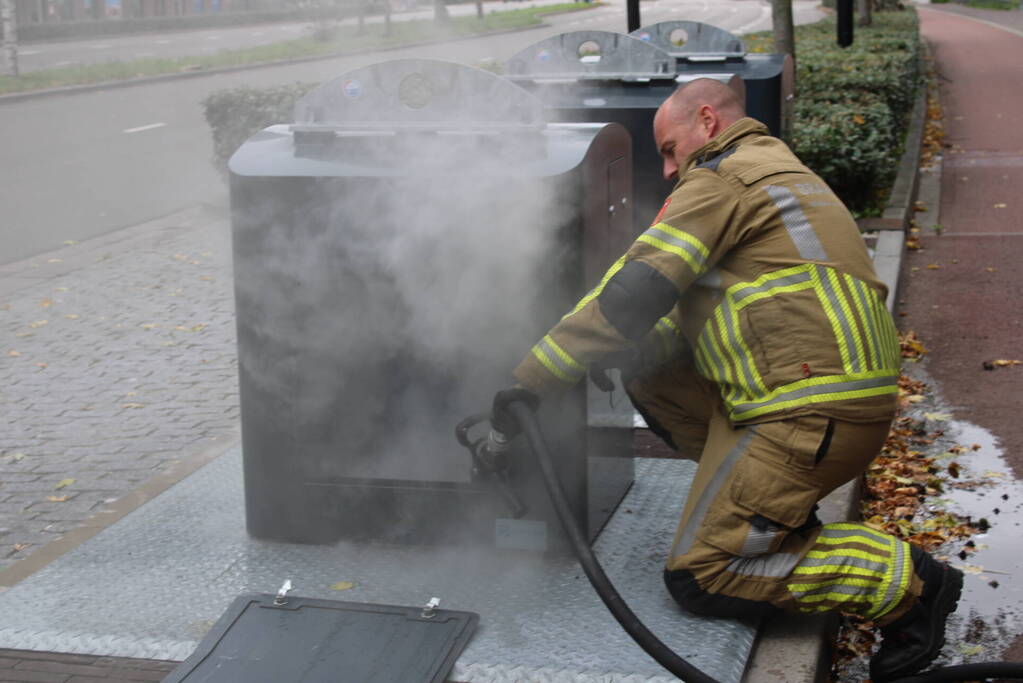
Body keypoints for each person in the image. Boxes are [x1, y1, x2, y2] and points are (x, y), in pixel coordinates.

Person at [494, 78, 963, 682]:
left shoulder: (720, 179)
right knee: (644, 364)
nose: (666, 169)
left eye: (669, 149)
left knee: (701, 575)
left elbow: (635, 293)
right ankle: (771, 517)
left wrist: (530, 380)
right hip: (825, 397)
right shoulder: (776, 171)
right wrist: (607, 354)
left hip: (804, 411)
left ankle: (910, 585)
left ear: (708, 121)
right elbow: (713, 314)